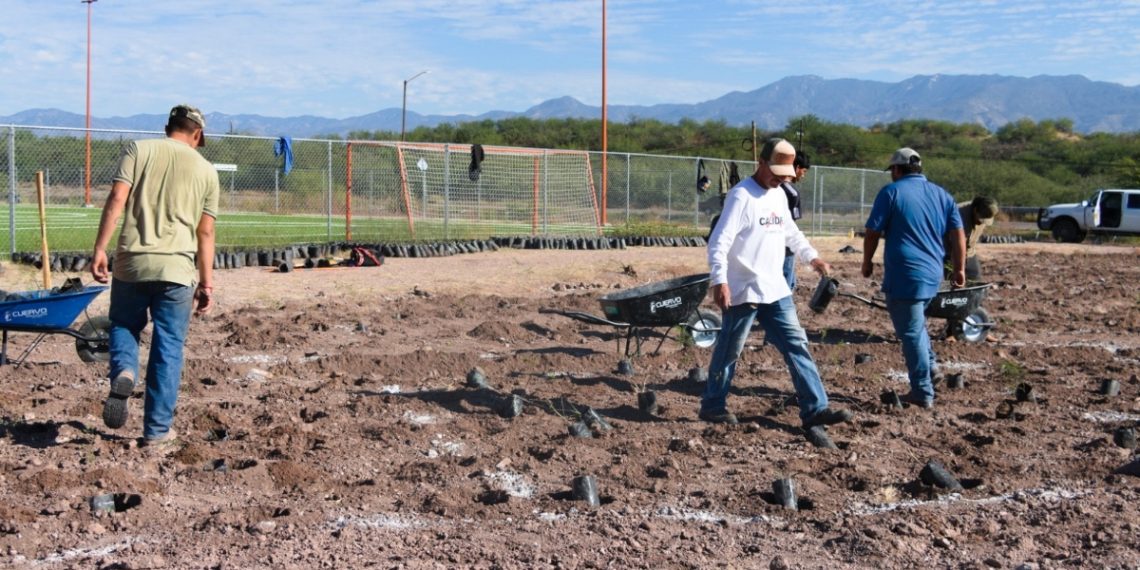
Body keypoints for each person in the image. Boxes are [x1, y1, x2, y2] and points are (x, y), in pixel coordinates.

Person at [700, 138, 854, 430]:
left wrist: (813, 258)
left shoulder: (780, 194)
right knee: (729, 349)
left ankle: (815, 409)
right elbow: (718, 242)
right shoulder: (741, 196)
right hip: (743, 288)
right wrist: (719, 280)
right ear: (761, 163)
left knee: (797, 345)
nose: (782, 179)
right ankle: (712, 405)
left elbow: (790, 232)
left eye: (786, 175)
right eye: (777, 173)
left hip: (775, 287)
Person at [90, 104, 219, 446]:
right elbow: (205, 234)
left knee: (123, 325)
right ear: (197, 134)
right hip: (176, 269)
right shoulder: (207, 171)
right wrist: (206, 283)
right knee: (168, 346)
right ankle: (157, 431)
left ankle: (124, 372)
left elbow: (118, 197)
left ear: (167, 127)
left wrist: (101, 248)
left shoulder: (138, 149)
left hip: (132, 262)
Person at [861, 148, 965, 410]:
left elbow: (872, 231)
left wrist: (867, 262)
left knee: (910, 334)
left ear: (896, 170)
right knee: (916, 327)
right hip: (932, 273)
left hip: (906, 273)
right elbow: (958, 234)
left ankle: (922, 391)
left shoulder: (891, 192)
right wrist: (960, 269)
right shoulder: (942, 194)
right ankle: (931, 369)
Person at [946, 196, 998, 281]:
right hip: (950, 252)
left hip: (969, 252)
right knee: (952, 281)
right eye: (980, 219)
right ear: (975, 210)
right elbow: (955, 244)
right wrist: (959, 269)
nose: (981, 223)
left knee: (975, 278)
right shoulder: (958, 214)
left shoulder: (984, 213)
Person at [780, 152, 810, 289]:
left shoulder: (774, 187)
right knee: (787, 283)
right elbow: (790, 224)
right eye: (803, 171)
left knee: (789, 281)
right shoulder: (791, 192)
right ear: (797, 167)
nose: (803, 175)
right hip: (785, 245)